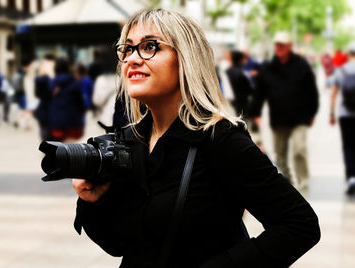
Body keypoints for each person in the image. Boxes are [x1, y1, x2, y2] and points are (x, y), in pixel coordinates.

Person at [72, 9, 320, 267]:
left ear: (186, 58)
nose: (132, 59)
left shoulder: (219, 140)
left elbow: (299, 225)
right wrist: (94, 202)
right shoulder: (130, 139)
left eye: (149, 46)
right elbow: (118, 244)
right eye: (128, 49)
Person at [250, 31, 319, 190]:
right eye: (276, 45)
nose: (278, 48)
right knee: (279, 155)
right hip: (278, 118)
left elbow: (311, 91)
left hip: (299, 117)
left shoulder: (301, 65)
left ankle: (303, 179)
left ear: (289, 46)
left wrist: (312, 113)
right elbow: (259, 93)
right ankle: (287, 179)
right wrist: (255, 113)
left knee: (299, 149)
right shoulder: (267, 68)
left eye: (282, 45)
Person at [330, 42, 355, 195]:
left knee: (348, 146)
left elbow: (333, 93)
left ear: (348, 53)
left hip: (345, 115)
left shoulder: (341, 71)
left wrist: (331, 113)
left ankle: (351, 177)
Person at [47, 57, 85, 142]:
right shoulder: (75, 83)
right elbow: (80, 105)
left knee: (58, 151)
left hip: (56, 125)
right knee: (72, 151)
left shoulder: (51, 84)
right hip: (73, 125)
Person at [226, 50, 253, 119]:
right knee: (242, 118)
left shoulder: (227, 71)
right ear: (241, 59)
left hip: (231, 100)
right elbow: (249, 88)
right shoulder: (243, 72)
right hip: (243, 100)